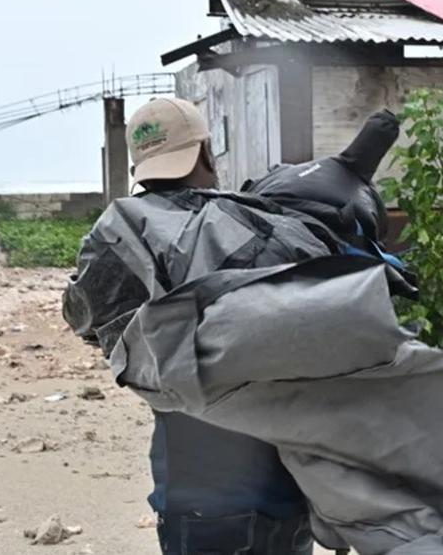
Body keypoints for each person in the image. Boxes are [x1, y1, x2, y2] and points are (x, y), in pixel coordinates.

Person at [67, 97, 315, 555]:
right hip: (291, 487)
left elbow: (84, 320)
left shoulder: (123, 232)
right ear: (204, 152)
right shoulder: (263, 222)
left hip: (194, 492)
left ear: (140, 165)